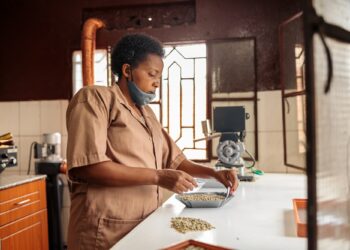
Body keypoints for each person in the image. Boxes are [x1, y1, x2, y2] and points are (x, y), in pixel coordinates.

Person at [66, 33, 239, 250]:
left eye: (159, 77)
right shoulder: (96, 99)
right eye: (152, 74)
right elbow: (88, 167)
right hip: (104, 229)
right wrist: (157, 176)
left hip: (142, 226)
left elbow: (175, 162)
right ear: (127, 71)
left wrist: (214, 173)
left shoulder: (146, 114)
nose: (157, 83)